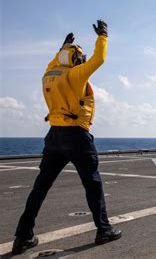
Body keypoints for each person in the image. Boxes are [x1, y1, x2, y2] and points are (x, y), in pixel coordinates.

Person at [12, 20, 122, 255]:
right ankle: (104, 229)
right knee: (92, 184)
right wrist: (103, 36)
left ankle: (22, 235)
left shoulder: (47, 75)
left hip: (53, 136)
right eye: (78, 57)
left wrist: (63, 47)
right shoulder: (75, 76)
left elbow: (54, 63)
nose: (81, 60)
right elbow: (99, 59)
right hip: (76, 135)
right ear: (74, 60)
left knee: (40, 186)